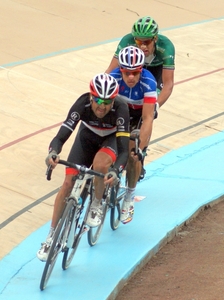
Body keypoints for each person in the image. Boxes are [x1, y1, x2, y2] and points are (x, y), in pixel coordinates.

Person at [37, 73, 130, 262]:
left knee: (101, 163)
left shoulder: (121, 109)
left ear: (113, 100)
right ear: (90, 96)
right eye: (97, 100)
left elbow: (124, 151)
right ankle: (50, 237)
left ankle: (96, 203)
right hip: (87, 137)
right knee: (68, 183)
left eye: (107, 101)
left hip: (111, 139)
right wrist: (53, 152)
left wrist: (116, 170)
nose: (101, 106)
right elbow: (61, 136)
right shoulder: (82, 104)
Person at [110, 46, 157, 224]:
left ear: (141, 70)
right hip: (120, 113)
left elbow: (147, 119)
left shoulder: (148, 82)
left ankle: (129, 196)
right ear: (120, 69)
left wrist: (140, 148)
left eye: (135, 72)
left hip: (139, 117)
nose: (131, 77)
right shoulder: (113, 78)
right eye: (127, 72)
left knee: (133, 154)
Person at [106, 16, 175, 110]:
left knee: (151, 101)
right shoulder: (127, 41)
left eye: (146, 42)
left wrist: (155, 106)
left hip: (157, 69)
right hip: (136, 68)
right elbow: (111, 69)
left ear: (155, 38)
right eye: (138, 41)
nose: (142, 46)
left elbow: (168, 84)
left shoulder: (166, 47)